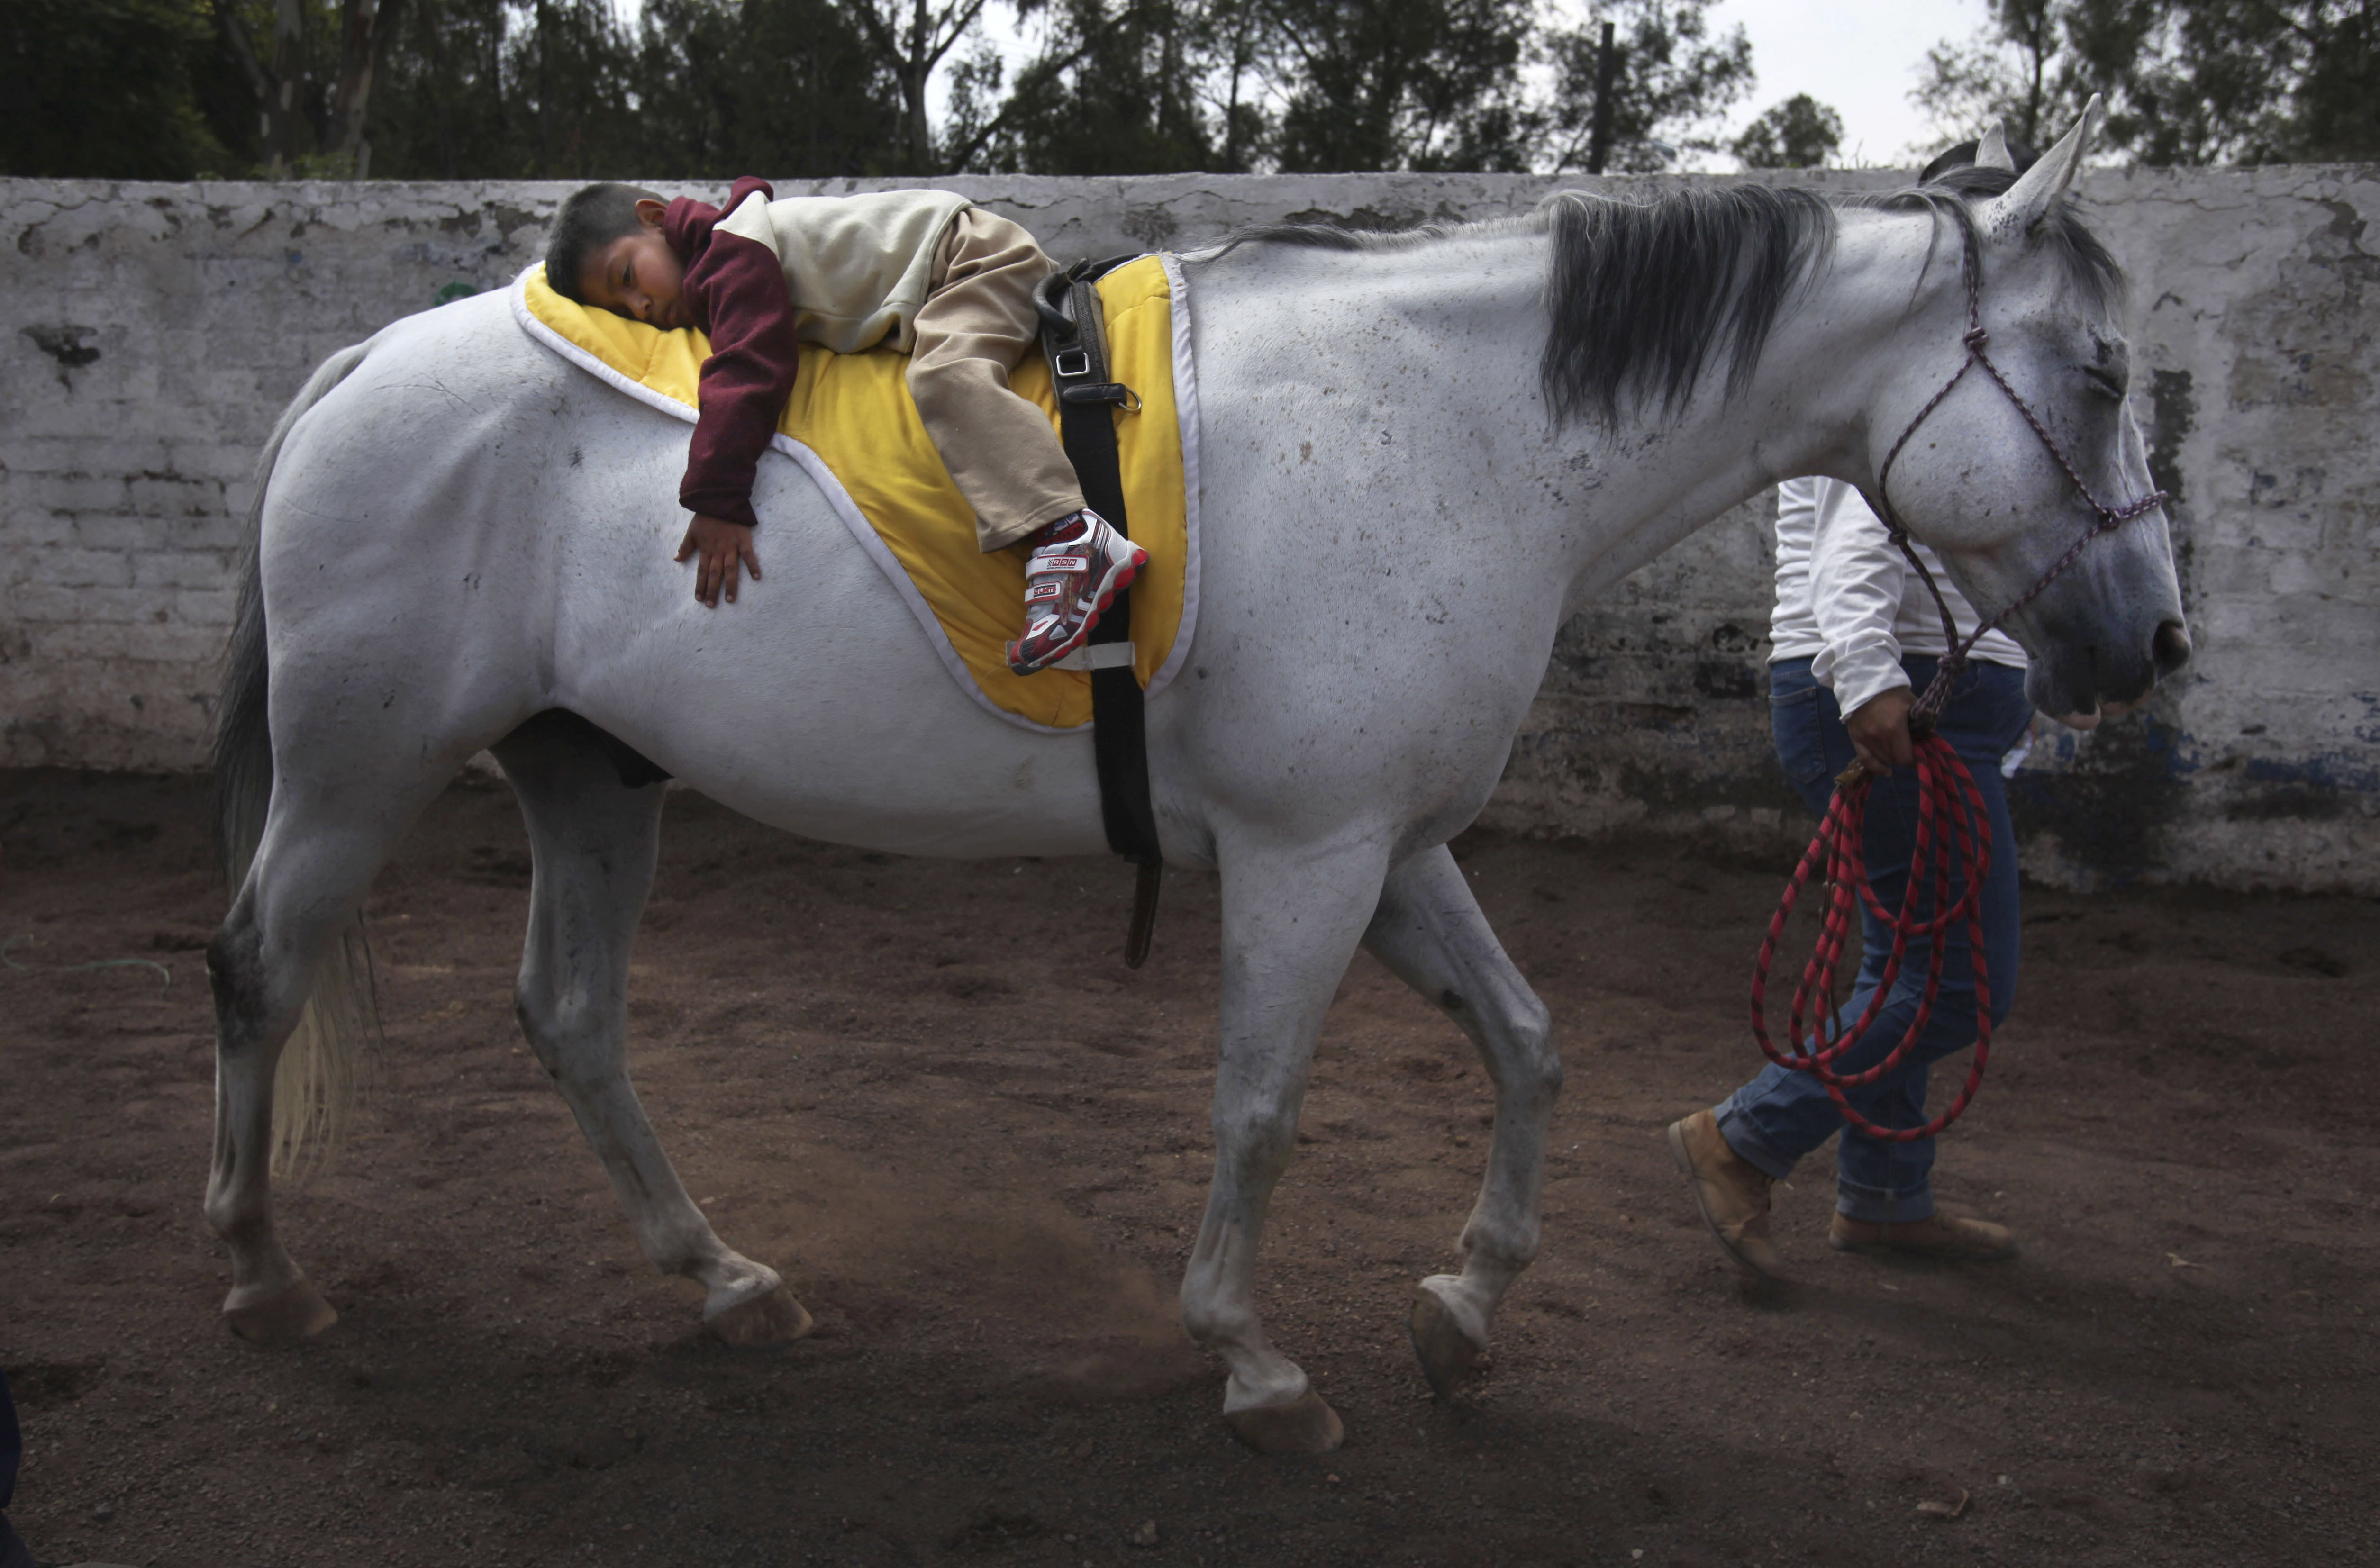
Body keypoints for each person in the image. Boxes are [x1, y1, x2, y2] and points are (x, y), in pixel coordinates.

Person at [1664, 131, 2047, 1278]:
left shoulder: (1951, 371)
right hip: (1899, 697)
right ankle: (1741, 1136)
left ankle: (1884, 1196)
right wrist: (1872, 677)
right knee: (1963, 984)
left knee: (1905, 966)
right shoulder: (1910, 369)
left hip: (1929, 694)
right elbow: (1854, 550)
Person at [545, 180, 1145, 676]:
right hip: (952, 271)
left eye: (628, 277)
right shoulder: (730, 255)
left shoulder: (732, 253)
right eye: (622, 310)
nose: (641, 308)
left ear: (654, 219)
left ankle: (1069, 532)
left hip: (971, 261)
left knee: (945, 375)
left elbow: (749, 367)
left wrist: (716, 497)